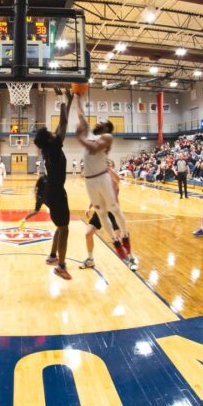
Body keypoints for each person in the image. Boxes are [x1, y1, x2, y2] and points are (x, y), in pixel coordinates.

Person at [74, 94, 132, 261]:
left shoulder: (107, 137)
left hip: (102, 177)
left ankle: (125, 236)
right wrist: (77, 98)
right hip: (90, 180)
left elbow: (95, 148)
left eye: (102, 122)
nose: (98, 122)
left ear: (107, 128)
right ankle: (116, 242)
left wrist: (79, 138)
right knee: (100, 214)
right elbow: (80, 115)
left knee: (114, 208)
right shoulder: (90, 133)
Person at [33, 88, 73, 280]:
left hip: (51, 191)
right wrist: (60, 98)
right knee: (64, 228)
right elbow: (63, 123)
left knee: (60, 225)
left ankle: (52, 256)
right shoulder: (54, 148)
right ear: (49, 138)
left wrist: (69, 100)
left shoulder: (49, 148)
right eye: (49, 132)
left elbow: (61, 125)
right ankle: (61, 266)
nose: (52, 131)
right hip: (56, 193)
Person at [80, 160, 125, 269]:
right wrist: (89, 207)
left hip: (113, 212)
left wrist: (108, 168)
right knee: (88, 233)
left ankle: (127, 259)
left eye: (110, 166)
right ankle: (90, 259)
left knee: (117, 239)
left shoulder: (114, 181)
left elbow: (117, 180)